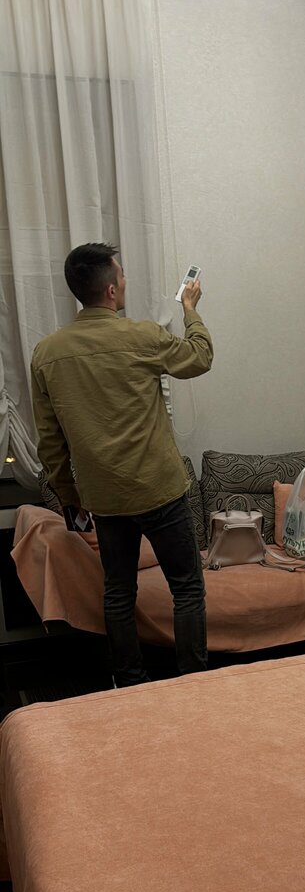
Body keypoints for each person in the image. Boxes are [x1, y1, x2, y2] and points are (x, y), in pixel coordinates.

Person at [31, 242, 213, 687]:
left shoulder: (46, 354)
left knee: (118, 592)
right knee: (187, 588)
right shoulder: (141, 337)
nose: (125, 281)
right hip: (160, 488)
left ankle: (129, 684)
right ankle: (194, 684)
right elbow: (200, 357)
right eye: (122, 275)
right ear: (111, 290)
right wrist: (190, 309)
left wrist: (71, 497)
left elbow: (50, 442)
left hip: (106, 498)